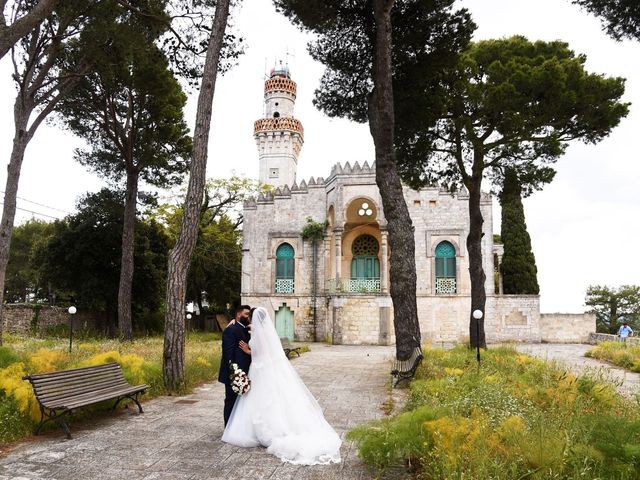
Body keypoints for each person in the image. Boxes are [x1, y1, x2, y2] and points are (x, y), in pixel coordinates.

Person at [222, 307, 341, 465]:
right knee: (269, 400)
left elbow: (261, 353)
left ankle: (260, 430)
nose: (249, 319)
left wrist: (248, 351)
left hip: (259, 370)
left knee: (261, 400)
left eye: (250, 316)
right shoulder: (262, 331)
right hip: (262, 370)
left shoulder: (258, 334)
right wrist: (234, 324)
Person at [218, 304, 252, 426]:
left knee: (242, 403)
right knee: (231, 401)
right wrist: (234, 373)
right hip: (234, 373)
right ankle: (228, 427)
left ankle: (239, 427)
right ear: (238, 314)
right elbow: (228, 354)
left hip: (248, 372)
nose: (248, 317)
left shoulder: (248, 329)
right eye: (246, 314)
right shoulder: (231, 329)